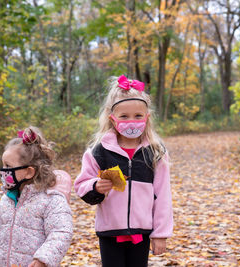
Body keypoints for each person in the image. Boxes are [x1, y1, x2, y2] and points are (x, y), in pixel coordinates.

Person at [74, 75, 173, 267]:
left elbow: (163, 195)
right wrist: (96, 186)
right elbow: (81, 185)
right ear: (112, 119)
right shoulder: (98, 151)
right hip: (110, 232)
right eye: (124, 116)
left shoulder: (155, 152)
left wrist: (160, 233)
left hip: (141, 231)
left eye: (138, 116)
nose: (132, 121)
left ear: (147, 117)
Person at [0, 126, 73, 267]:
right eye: (2, 165)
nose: (3, 171)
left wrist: (42, 259)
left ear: (29, 172)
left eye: (8, 166)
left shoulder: (51, 200)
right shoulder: (7, 199)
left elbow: (61, 232)